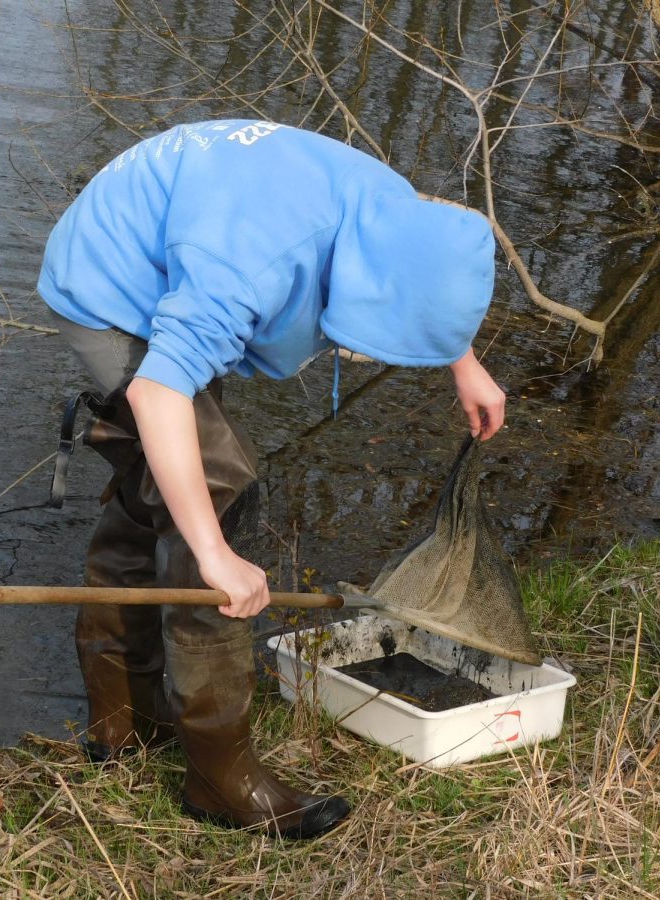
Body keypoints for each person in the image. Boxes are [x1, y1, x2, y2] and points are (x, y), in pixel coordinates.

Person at [37, 119, 505, 839]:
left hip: (189, 230)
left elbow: (431, 253)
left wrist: (458, 356)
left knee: (155, 481)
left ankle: (120, 719)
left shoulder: (393, 211)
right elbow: (158, 393)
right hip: (110, 280)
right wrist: (218, 558)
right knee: (217, 495)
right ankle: (219, 776)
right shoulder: (247, 263)